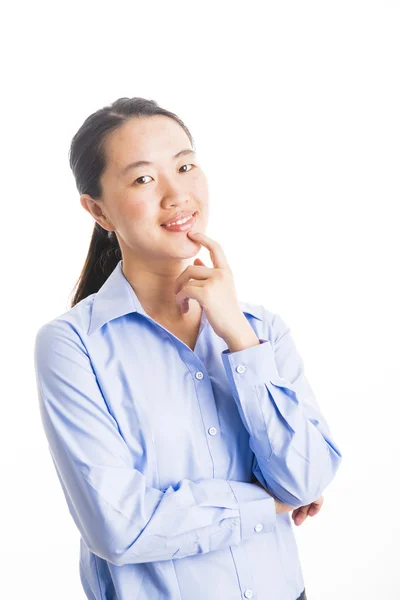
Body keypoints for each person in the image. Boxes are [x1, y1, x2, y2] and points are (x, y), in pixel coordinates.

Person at [33, 96, 342, 600]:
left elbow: (305, 479)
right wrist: (268, 505)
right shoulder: (72, 346)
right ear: (97, 210)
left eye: (185, 165)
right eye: (143, 179)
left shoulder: (261, 329)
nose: (177, 194)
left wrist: (240, 340)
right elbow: (120, 529)